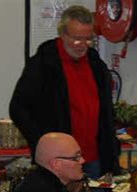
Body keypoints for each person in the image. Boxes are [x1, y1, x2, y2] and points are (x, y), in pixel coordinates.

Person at [10, 5, 119, 179]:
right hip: (59, 161)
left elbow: (106, 111)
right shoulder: (42, 64)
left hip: (95, 158)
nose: (82, 45)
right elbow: (18, 108)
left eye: (88, 39)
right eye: (76, 39)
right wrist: (41, 143)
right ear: (63, 34)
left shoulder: (96, 64)